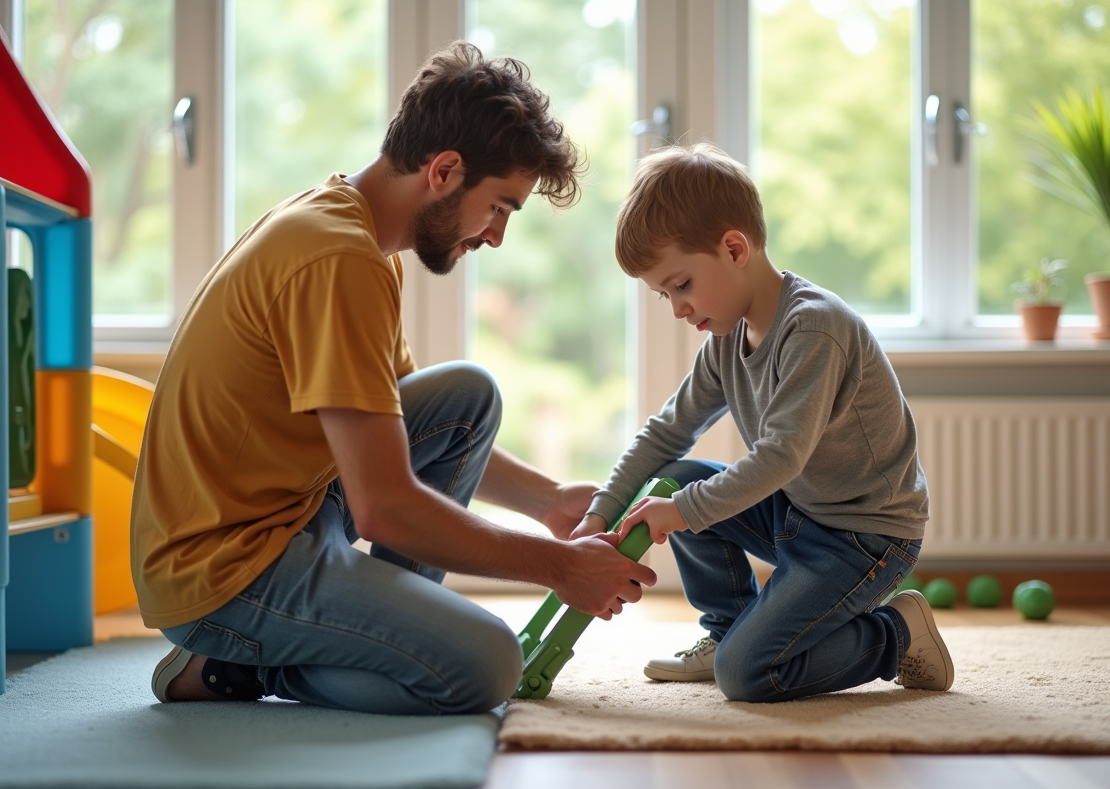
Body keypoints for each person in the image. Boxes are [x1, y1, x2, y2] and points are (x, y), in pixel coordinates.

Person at [132, 41, 655, 716]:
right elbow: (383, 503)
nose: (496, 236)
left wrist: (551, 502)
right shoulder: (338, 259)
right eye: (499, 207)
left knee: (468, 398)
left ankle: (377, 627)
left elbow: (404, 435)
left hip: (292, 514)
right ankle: (234, 664)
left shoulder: (354, 233)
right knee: (485, 667)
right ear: (444, 170)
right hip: (226, 574)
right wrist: (559, 567)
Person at [569, 143, 953, 702]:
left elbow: (781, 456)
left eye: (681, 285)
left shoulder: (813, 330)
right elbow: (666, 432)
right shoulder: (726, 338)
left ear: (733, 248)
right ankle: (727, 633)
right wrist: (600, 512)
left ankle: (896, 632)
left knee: (747, 675)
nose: (676, 307)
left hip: (867, 539)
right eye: (662, 295)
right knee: (676, 473)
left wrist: (678, 514)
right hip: (800, 515)